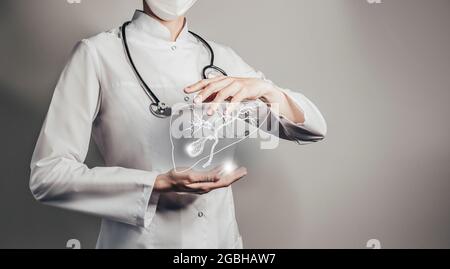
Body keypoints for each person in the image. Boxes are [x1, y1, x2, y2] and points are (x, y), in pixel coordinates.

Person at [29, 0, 327, 249]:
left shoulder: (221, 58)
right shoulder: (97, 54)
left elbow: (313, 129)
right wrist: (155, 184)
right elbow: (48, 176)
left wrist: (266, 89)